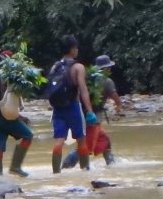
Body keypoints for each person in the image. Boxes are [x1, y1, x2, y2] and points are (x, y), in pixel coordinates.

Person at [62, 54, 123, 168]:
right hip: (93, 119)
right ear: (106, 69)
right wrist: (118, 107)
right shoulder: (107, 81)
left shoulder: (87, 79)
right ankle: (64, 168)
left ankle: (111, 166)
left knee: (105, 141)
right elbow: (117, 100)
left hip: (80, 115)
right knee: (86, 146)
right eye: (109, 68)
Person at [49, 35, 96, 173]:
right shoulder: (78, 67)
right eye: (76, 47)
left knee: (59, 141)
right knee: (81, 140)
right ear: (72, 49)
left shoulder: (54, 67)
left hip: (57, 109)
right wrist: (90, 111)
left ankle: (55, 173)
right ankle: (85, 171)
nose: (77, 50)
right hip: (73, 108)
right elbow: (83, 90)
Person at [0, 51, 33, 177]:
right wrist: (19, 116)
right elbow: (8, 102)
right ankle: (15, 167)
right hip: (6, 117)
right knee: (28, 135)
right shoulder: (9, 77)